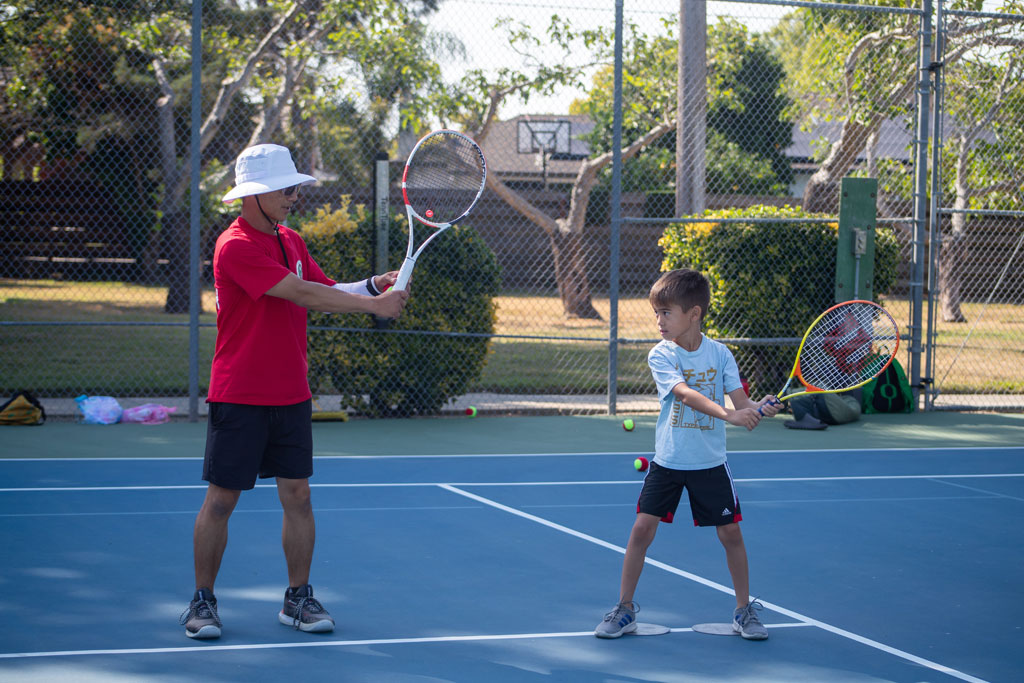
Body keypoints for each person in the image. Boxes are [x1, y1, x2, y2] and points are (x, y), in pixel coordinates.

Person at [179, 143, 409, 639]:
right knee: (221, 501)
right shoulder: (234, 245)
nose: (292, 197)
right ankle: (202, 602)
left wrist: (372, 286)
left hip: (290, 393)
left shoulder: (292, 240)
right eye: (285, 189)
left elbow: (325, 289)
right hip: (239, 393)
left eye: (293, 188)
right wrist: (377, 308)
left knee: (298, 496)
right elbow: (301, 293)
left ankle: (298, 598)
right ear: (256, 194)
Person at [594, 268, 780, 641]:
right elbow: (683, 393)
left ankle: (744, 611)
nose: (659, 321)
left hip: (710, 464)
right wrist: (730, 414)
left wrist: (757, 408)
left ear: (694, 314)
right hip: (668, 462)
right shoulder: (661, 355)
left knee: (730, 534)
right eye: (656, 314)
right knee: (641, 530)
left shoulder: (721, 355)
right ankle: (624, 609)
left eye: (667, 313)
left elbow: (742, 402)